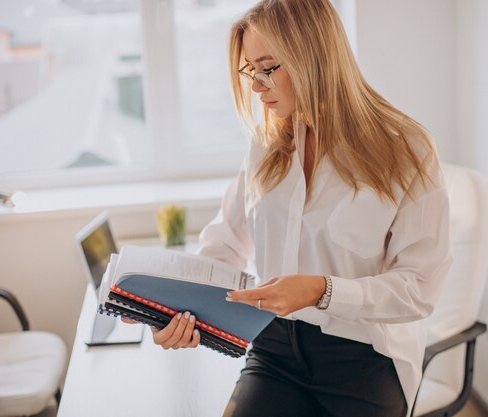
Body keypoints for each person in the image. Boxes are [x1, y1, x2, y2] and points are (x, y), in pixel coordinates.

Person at [144, 1, 452, 416]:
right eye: (250, 69)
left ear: (316, 59)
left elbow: (419, 287)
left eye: (268, 68)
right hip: (274, 349)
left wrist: (322, 291)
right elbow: (226, 244)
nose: (256, 86)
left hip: (365, 356)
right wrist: (176, 308)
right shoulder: (265, 145)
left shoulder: (404, 150)